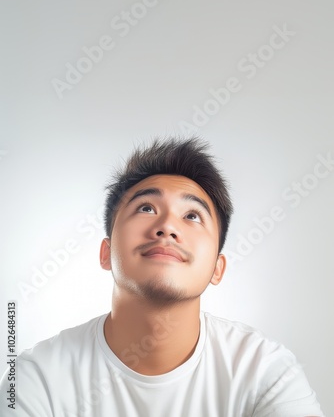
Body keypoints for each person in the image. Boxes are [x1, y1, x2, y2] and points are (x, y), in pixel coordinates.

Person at [0, 137, 324, 416]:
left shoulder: (264, 370)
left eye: (192, 216)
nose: (167, 226)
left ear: (217, 268)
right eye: (146, 208)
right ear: (105, 253)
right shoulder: (36, 377)